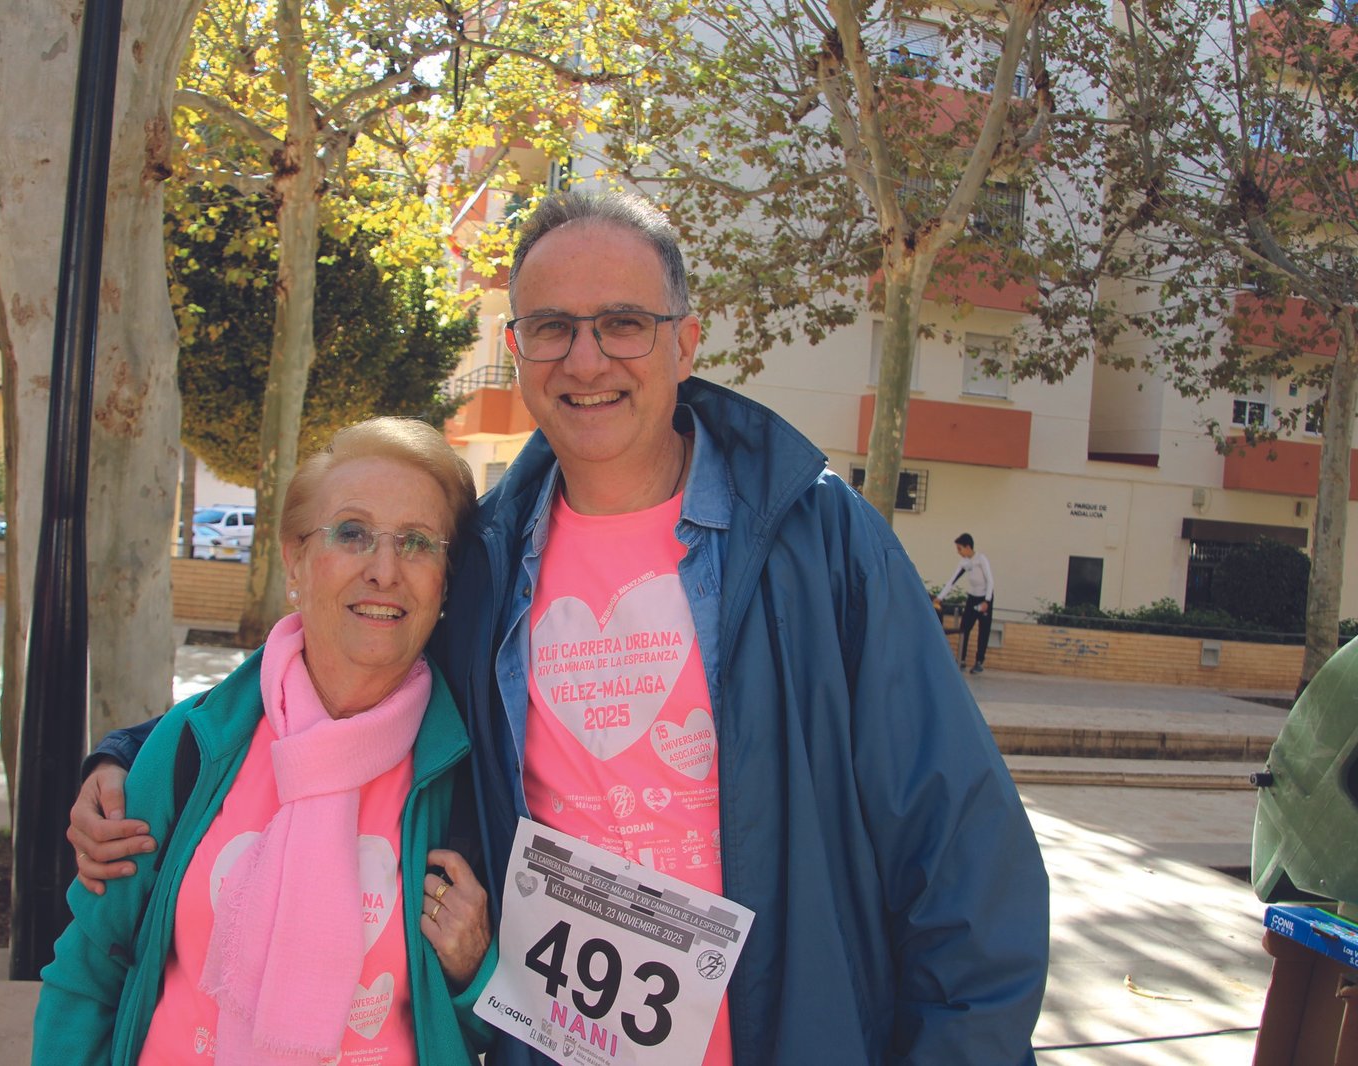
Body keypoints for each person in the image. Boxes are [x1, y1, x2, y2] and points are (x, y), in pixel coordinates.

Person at [73, 193, 1049, 1063]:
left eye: (623, 323)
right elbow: (339, 672)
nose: (586, 359)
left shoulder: (814, 539)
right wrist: (130, 755)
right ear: (520, 347)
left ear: (685, 342)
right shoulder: (485, 560)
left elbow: (961, 844)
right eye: (551, 328)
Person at [33, 418, 496, 1066]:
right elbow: (89, 973)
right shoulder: (188, 750)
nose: (384, 570)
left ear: (444, 583)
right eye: (352, 533)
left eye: (418, 543)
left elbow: (489, 1029)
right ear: (295, 559)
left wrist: (475, 969)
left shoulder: (470, 777)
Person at [934, 532, 996, 675]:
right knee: (965, 627)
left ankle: (979, 662)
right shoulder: (964, 562)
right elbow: (952, 581)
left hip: (984, 598)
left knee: (983, 631)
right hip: (972, 598)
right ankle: (961, 659)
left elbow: (990, 580)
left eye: (960, 548)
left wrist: (987, 601)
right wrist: (940, 597)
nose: (958, 552)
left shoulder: (981, 559)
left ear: (968, 547)